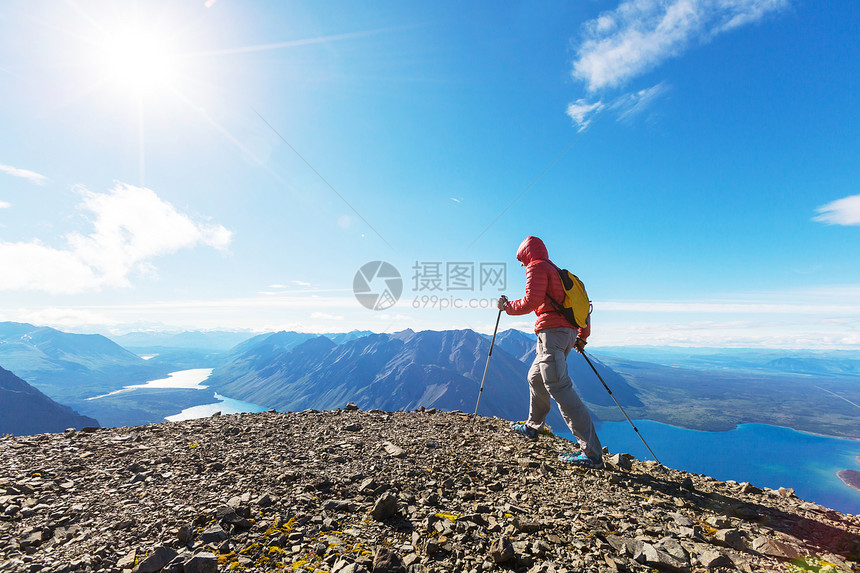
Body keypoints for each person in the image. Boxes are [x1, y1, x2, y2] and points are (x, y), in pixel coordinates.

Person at [498, 235, 603, 468]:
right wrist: (581, 336)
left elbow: (531, 301)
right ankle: (532, 427)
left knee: (559, 388)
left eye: (521, 260)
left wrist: (507, 307)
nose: (522, 265)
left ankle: (591, 452)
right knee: (535, 377)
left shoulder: (536, 267)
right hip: (564, 334)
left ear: (526, 253)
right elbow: (584, 308)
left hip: (552, 335)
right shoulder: (559, 272)